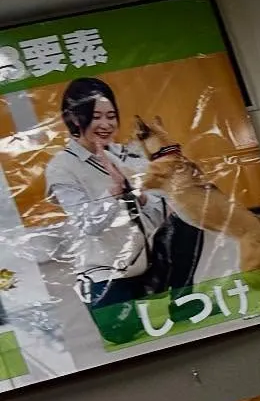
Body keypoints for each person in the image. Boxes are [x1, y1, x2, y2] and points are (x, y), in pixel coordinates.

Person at [45, 77, 203, 346]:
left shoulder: (123, 155)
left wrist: (142, 196)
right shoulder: (61, 168)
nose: (106, 125)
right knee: (122, 334)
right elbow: (88, 225)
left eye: (111, 116)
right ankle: (126, 301)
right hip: (107, 273)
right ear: (74, 118)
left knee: (188, 217)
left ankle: (181, 300)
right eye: (96, 116)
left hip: (145, 261)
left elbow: (158, 212)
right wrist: (114, 192)